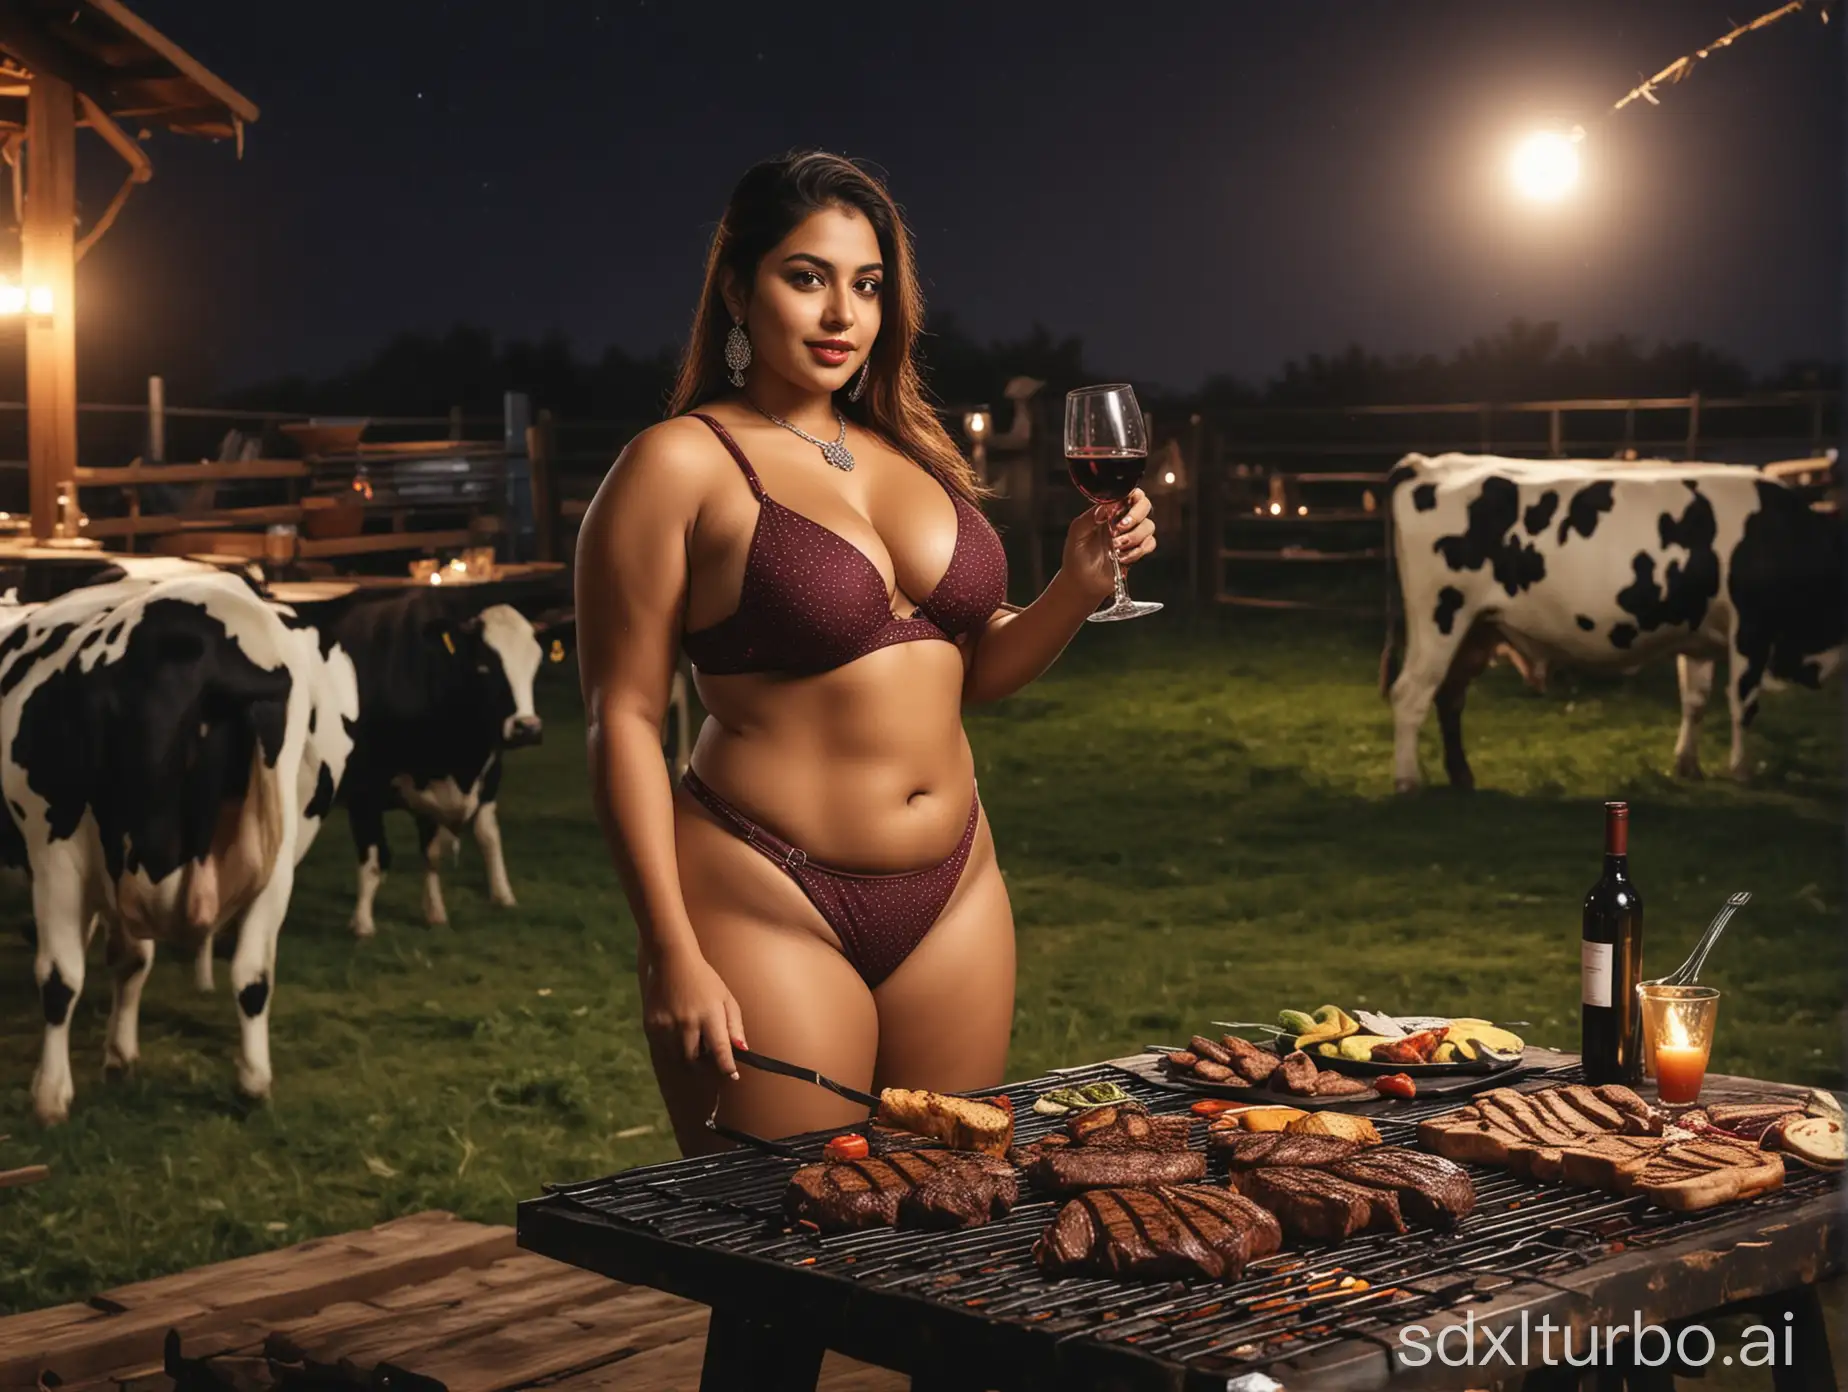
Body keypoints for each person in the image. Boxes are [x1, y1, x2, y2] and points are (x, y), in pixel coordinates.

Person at [576, 151, 1156, 1152]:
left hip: (958, 888)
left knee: (948, 1223)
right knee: (793, 1242)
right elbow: (621, 718)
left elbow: (972, 672)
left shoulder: (913, 457)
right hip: (765, 890)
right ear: (736, 290)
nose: (841, 312)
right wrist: (669, 948)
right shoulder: (675, 465)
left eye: (867, 284)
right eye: (806, 278)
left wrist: (1075, 589)